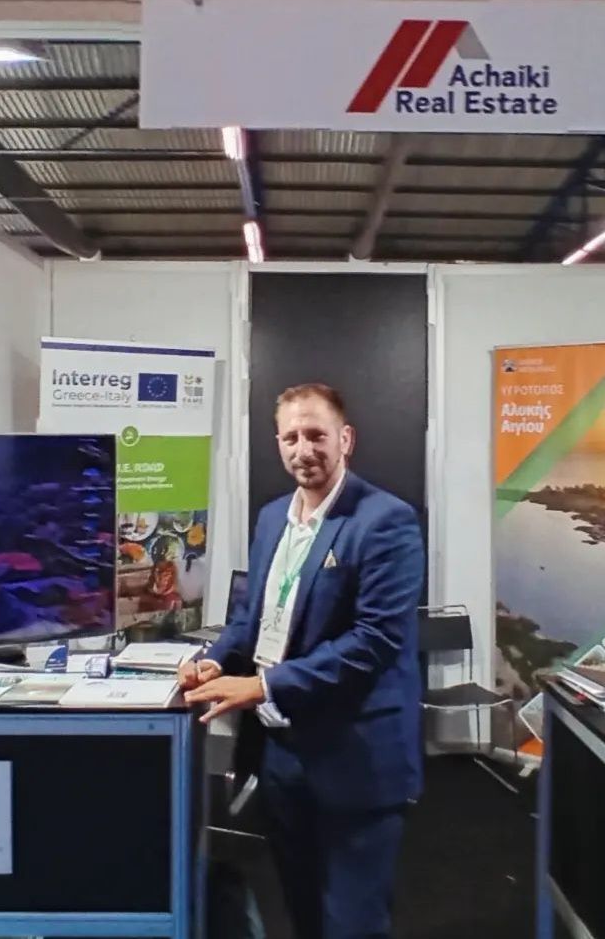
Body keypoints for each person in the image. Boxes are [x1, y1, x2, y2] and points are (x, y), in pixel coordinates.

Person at [180, 382, 425, 939]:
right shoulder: (273, 519)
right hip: (280, 750)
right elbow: (253, 615)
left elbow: (374, 641)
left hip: (354, 754)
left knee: (352, 922)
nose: (303, 449)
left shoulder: (385, 520)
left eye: (316, 435)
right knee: (302, 909)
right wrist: (216, 660)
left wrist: (261, 685)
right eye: (290, 437)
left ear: (346, 439)